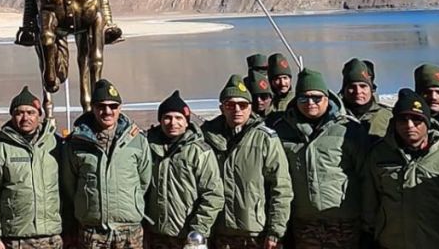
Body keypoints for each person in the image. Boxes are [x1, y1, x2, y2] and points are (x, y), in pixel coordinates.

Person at [363, 89, 439, 248]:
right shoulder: (379, 155)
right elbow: (370, 202)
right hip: (392, 243)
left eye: (416, 120)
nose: (409, 126)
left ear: (427, 123)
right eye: (403, 120)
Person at [273, 69, 367, 248]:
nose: (310, 103)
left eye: (316, 98)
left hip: (343, 221)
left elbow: (366, 177)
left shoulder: (349, 129)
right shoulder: (282, 130)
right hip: (304, 222)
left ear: (327, 98)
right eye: (304, 98)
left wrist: (368, 219)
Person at [202, 75, 292, 249]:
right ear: (222, 108)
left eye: (242, 105)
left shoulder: (265, 139)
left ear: (250, 108)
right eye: (230, 105)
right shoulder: (207, 138)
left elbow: (281, 188)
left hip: (256, 233)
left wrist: (276, 231)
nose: (237, 110)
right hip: (219, 231)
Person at [61, 79, 150, 249]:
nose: (107, 111)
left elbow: (144, 181)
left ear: (120, 108)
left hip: (129, 232)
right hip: (92, 232)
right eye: (101, 106)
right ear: (93, 108)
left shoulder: (137, 140)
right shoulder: (76, 143)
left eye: (113, 106)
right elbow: (70, 184)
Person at [0, 87, 61, 249]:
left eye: (31, 113)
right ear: (12, 116)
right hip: (15, 239)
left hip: (51, 239)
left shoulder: (54, 145)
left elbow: (68, 189)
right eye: (19, 113)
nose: (25, 118)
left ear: (39, 116)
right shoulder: (0, 149)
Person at [145, 90, 223, 249]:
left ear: (187, 122)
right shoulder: (147, 148)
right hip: (155, 236)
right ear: (160, 120)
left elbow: (213, 194)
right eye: (167, 117)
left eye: (178, 118)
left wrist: (198, 230)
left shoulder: (200, 152)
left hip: (187, 236)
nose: (173, 123)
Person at [340, 58, 392, 140]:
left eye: (363, 86)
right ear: (344, 90)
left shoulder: (389, 117)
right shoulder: (334, 117)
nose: (358, 91)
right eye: (352, 87)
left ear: (371, 89)